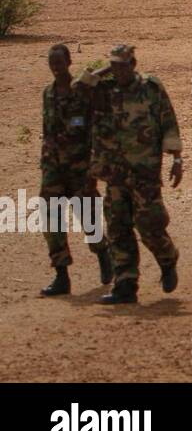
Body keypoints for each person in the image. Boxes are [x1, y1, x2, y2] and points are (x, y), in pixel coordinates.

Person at [77, 45, 184, 305]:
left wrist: (177, 158)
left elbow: (168, 121)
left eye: (122, 65)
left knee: (150, 224)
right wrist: (105, 69)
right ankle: (125, 284)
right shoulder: (105, 88)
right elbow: (78, 88)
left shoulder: (150, 88)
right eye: (114, 65)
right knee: (118, 227)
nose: (119, 70)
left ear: (133, 64)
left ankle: (167, 258)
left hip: (143, 170)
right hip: (114, 172)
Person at [38, 45, 113, 296]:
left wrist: (94, 170)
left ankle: (103, 253)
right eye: (52, 63)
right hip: (53, 169)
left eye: (60, 62)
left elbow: (95, 131)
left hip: (80, 168)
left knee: (87, 217)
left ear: (69, 62)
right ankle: (61, 275)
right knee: (51, 218)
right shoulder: (48, 94)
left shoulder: (82, 90)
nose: (56, 67)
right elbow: (47, 131)